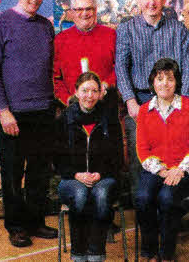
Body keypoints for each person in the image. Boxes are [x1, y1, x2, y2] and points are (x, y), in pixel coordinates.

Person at [0, 0, 58, 247]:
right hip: (12, 113)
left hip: (43, 110)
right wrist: (3, 111)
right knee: (13, 172)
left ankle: (36, 221)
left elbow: (50, 68)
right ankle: (16, 227)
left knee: (40, 171)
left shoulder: (45, 27)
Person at [115, 0, 189, 199]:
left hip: (174, 100)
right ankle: (142, 210)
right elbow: (121, 66)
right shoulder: (127, 29)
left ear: (163, 0)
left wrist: (184, 102)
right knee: (138, 156)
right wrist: (131, 101)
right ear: (139, 1)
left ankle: (171, 207)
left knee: (175, 151)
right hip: (141, 100)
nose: (151, 2)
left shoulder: (177, 28)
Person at [135, 58, 189, 262]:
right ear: (153, 83)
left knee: (167, 198)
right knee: (142, 198)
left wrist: (180, 170)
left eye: (170, 79)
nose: (165, 83)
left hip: (183, 170)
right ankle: (150, 251)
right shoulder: (144, 110)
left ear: (177, 82)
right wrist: (162, 171)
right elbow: (142, 148)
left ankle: (166, 253)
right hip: (155, 169)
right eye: (160, 79)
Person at [55, 72, 123, 262]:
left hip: (104, 177)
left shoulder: (109, 118)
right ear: (76, 92)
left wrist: (100, 174)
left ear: (101, 93)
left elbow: (118, 158)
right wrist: (76, 175)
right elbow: (56, 159)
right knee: (80, 194)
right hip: (71, 180)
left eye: (94, 90)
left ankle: (96, 253)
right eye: (85, 90)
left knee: (101, 195)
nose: (90, 96)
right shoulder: (64, 119)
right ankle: (78, 253)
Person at [53, 0, 116, 107]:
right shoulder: (60, 40)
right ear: (72, 13)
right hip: (73, 109)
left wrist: (106, 85)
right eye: (79, 9)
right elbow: (55, 78)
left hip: (106, 104)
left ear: (95, 10)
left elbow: (119, 69)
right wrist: (68, 99)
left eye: (89, 9)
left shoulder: (111, 35)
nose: (85, 13)